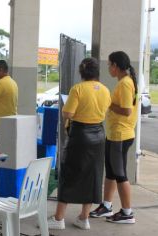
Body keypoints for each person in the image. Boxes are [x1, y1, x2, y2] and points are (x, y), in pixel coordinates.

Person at [47, 58, 111, 230]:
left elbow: (68, 113)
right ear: (97, 72)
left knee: (69, 173)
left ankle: (59, 218)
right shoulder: (105, 90)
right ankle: (84, 218)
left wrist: (66, 109)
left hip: (80, 135)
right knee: (92, 175)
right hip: (98, 135)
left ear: (81, 72)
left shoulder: (78, 89)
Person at [90, 51, 138, 224]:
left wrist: (109, 103)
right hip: (114, 134)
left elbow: (126, 110)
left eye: (109, 64)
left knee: (120, 174)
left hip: (120, 135)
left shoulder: (125, 83)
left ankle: (127, 213)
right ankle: (107, 206)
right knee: (110, 172)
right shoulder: (124, 81)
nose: (108, 68)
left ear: (116, 66)